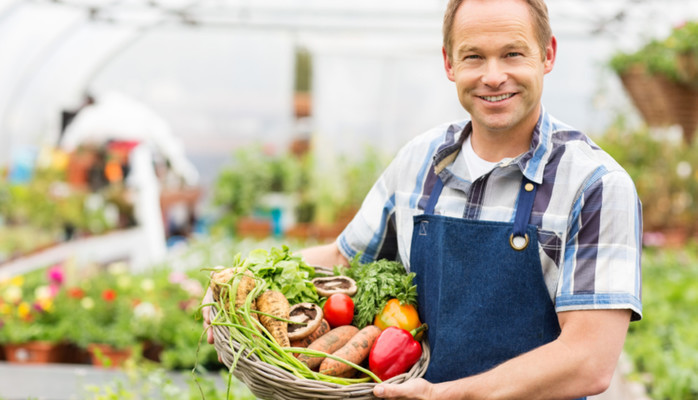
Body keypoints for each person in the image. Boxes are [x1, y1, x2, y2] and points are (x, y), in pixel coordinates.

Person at [203, 0, 643, 398]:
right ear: (449, 63)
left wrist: (451, 395)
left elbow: (589, 362)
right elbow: (342, 258)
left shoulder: (596, 185)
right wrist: (239, 282)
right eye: (473, 56)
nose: (493, 76)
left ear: (547, 55)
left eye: (512, 53)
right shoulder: (419, 162)